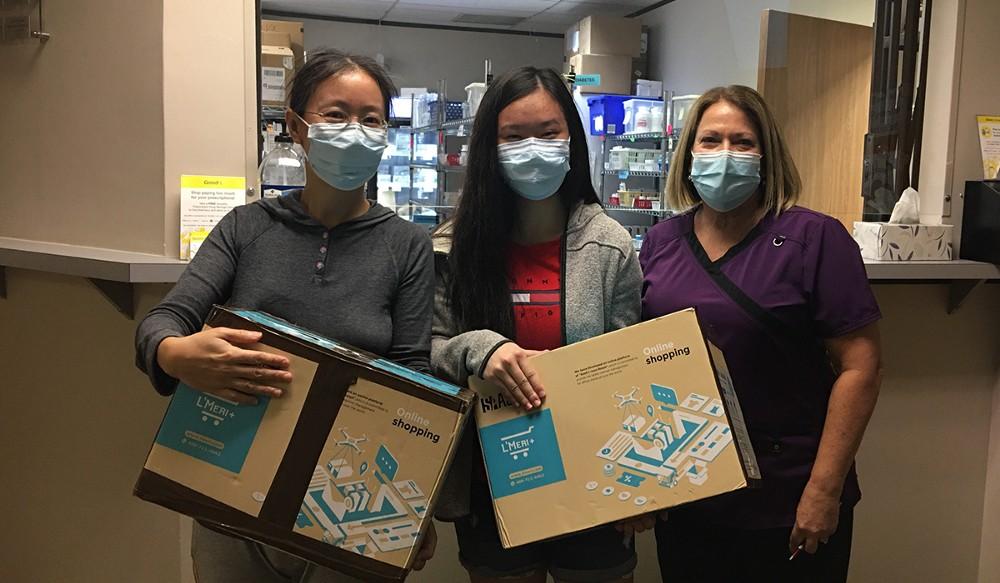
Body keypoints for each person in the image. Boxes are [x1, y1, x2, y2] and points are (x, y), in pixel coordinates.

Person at [134, 49, 437, 583]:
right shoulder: (246, 227)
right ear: (297, 127)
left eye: (370, 119)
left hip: (349, 500)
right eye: (335, 114)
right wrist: (178, 354)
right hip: (231, 491)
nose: (354, 130)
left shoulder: (407, 245)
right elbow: (162, 322)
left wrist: (414, 501)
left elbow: (413, 376)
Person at [639, 85, 882, 582]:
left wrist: (824, 488)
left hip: (789, 497)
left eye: (742, 142)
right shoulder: (662, 242)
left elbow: (861, 367)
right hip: (689, 496)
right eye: (710, 141)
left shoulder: (816, 239)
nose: (724, 155)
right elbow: (643, 363)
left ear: (767, 157)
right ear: (688, 154)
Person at [430, 65, 647, 583]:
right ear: (489, 147)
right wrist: (479, 349)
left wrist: (640, 481)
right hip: (492, 477)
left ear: (572, 140)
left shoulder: (609, 244)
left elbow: (629, 370)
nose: (533, 147)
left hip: (595, 474)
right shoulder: (453, 247)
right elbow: (430, 352)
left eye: (548, 133)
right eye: (514, 135)